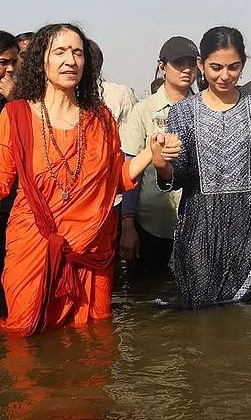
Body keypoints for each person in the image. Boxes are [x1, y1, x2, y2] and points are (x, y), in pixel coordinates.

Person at [0, 23, 180, 336]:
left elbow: (116, 180)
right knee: (22, 342)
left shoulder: (101, 119)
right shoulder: (15, 116)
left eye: (78, 53)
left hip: (92, 253)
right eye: (60, 52)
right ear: (41, 60)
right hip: (33, 249)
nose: (71, 60)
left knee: (93, 347)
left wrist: (151, 153)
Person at [154, 26, 251, 308]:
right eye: (216, 67)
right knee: (201, 319)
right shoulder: (183, 111)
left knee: (245, 321)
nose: (225, 75)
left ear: (244, 65)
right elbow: (181, 174)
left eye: (233, 67)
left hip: (249, 227)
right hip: (199, 229)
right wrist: (162, 164)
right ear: (201, 65)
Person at [120, 36, 199, 271]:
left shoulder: (204, 107)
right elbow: (131, 169)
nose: (186, 69)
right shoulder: (143, 110)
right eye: (178, 63)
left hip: (193, 222)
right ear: (162, 67)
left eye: (191, 63)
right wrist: (127, 225)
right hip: (150, 223)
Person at [0, 31, 19, 314]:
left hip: (12, 208)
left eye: (15, 62)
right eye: (4, 62)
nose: (11, 69)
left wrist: (14, 101)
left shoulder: (18, 100)